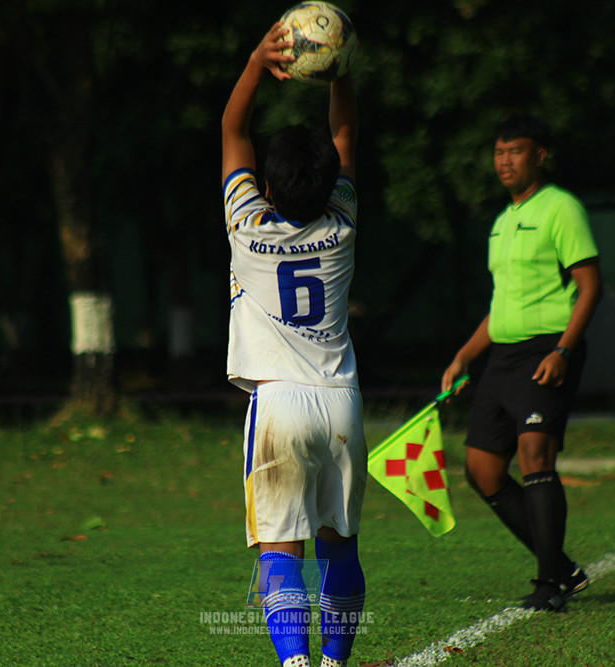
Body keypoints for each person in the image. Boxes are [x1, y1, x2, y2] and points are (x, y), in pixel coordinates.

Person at [221, 22, 366, 667]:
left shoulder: (248, 226)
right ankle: (334, 660)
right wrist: (340, 70)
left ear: (268, 187)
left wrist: (258, 62)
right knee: (341, 546)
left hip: (277, 406)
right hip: (340, 402)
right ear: (330, 181)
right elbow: (344, 136)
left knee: (280, 551)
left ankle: (296, 663)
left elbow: (233, 133)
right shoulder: (341, 225)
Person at [441, 114, 602, 612]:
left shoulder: (561, 208)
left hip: (546, 350)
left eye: (515, 151)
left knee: (535, 453)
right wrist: (465, 355)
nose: (505, 161)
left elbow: (591, 286)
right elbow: (501, 306)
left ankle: (548, 584)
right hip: (503, 358)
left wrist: (563, 351)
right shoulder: (501, 222)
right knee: (481, 469)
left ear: (540, 155)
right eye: (499, 152)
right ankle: (564, 568)